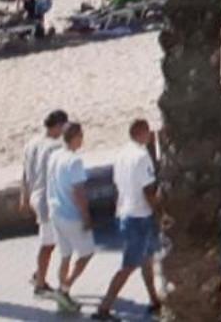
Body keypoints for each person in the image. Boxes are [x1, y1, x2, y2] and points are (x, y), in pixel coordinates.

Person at [93, 119, 162, 321]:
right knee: (129, 264)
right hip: (139, 217)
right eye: (148, 131)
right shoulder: (142, 156)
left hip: (125, 213)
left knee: (147, 259)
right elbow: (148, 189)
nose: (150, 135)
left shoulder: (122, 154)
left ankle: (154, 300)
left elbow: (118, 185)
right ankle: (104, 308)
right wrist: (160, 212)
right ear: (142, 133)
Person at [46, 122, 97, 312]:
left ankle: (63, 299)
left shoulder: (55, 156)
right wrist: (86, 216)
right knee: (86, 253)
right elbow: (79, 193)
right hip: (71, 215)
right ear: (74, 137)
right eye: (81, 135)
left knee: (65, 255)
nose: (83, 138)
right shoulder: (74, 161)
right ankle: (64, 289)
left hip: (56, 212)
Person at [21, 109, 68, 297]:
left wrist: (24, 198)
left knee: (50, 240)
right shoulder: (54, 148)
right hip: (47, 201)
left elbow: (25, 173)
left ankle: (39, 274)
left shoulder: (31, 143)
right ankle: (40, 283)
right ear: (58, 126)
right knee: (48, 244)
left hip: (35, 197)